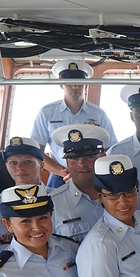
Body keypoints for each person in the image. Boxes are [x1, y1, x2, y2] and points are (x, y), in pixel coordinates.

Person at [30, 59, 117, 189]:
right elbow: (37, 152)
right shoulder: (47, 113)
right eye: (70, 82)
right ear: (61, 85)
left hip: (91, 175)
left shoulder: (99, 114)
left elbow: (110, 149)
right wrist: (62, 171)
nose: (75, 86)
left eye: (79, 82)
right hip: (60, 176)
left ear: (86, 85)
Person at [47, 123, 110, 241]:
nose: (81, 164)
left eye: (89, 157)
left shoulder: (120, 195)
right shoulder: (53, 204)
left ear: (103, 157)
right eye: (73, 158)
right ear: (66, 162)